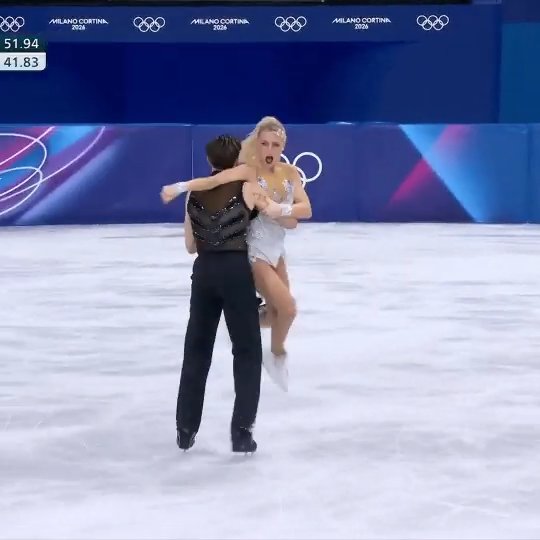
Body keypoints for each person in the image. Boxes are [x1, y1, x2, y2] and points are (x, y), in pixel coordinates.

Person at [161, 117, 312, 391]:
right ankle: (276, 355)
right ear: (257, 144)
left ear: (283, 147)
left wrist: (281, 210)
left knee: (278, 314)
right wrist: (179, 188)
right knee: (288, 309)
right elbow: (214, 180)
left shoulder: (290, 173)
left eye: (275, 145)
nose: (269, 149)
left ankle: (243, 319)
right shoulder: (249, 171)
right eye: (264, 143)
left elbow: (306, 210)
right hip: (255, 250)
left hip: (277, 250)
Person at [173, 134, 274, 454]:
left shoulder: (194, 194)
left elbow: (191, 246)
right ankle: (241, 432)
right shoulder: (248, 187)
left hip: (204, 273)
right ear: (237, 159)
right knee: (247, 351)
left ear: (209, 161)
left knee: (197, 350)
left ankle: (185, 428)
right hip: (236, 272)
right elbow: (270, 220)